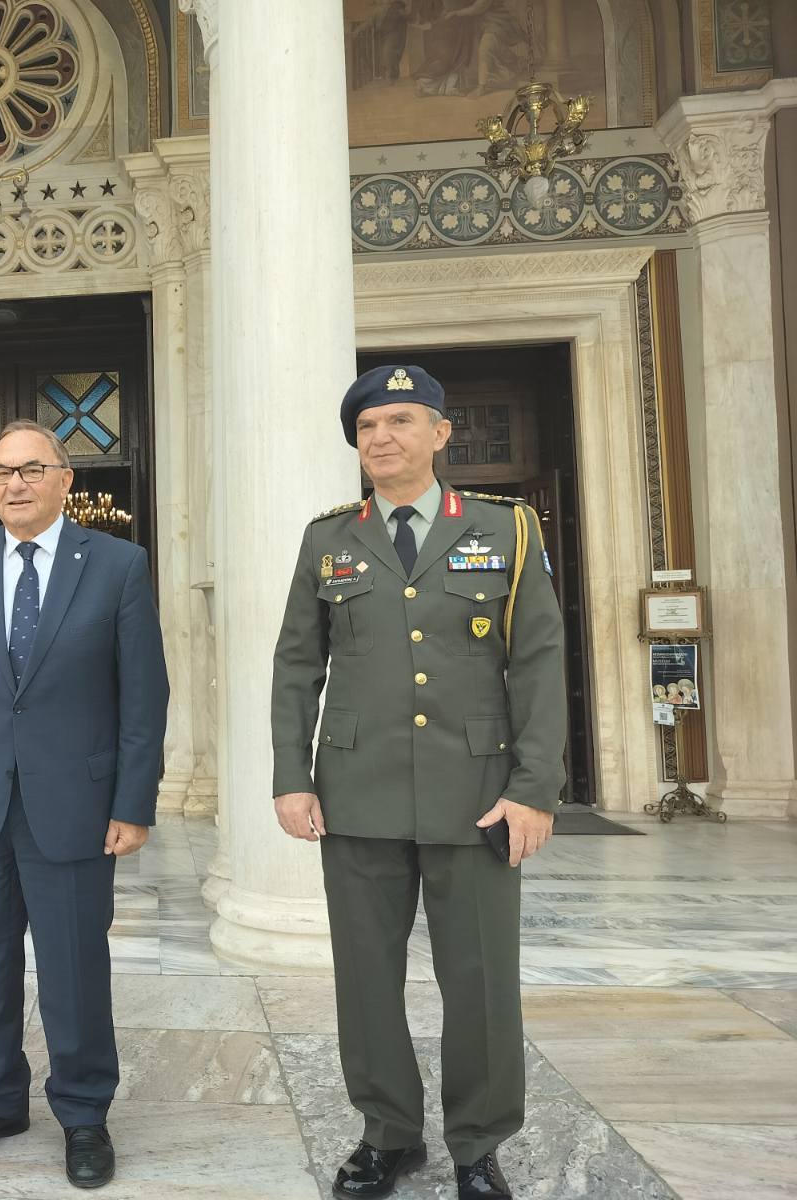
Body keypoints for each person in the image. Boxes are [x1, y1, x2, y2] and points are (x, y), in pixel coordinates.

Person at [271, 365, 566, 1200]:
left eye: (401, 420)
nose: (381, 437)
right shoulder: (328, 539)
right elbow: (296, 666)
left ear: (441, 433)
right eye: (367, 426)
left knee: (481, 981)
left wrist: (534, 788)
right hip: (356, 790)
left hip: (477, 793)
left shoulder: (505, 529)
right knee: (366, 979)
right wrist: (292, 776)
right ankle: (387, 1134)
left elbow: (539, 661)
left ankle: (478, 1144)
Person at [0, 419, 169, 1190]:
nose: (14, 484)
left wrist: (133, 801)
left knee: (75, 968)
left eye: (30, 469)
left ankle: (84, 1113)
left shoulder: (117, 564)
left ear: (65, 479)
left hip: (75, 806)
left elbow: (143, 696)